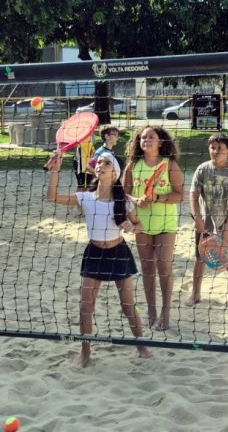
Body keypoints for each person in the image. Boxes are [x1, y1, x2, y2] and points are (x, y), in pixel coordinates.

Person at [45, 150, 151, 367]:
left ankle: (141, 346)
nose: (100, 165)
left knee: (128, 305)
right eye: (99, 162)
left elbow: (140, 225)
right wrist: (55, 170)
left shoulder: (124, 200)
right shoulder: (85, 198)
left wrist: (133, 226)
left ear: (115, 173)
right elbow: (52, 197)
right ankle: (85, 352)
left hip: (118, 253)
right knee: (86, 306)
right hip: (94, 253)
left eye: (106, 163)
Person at [124, 125, 184, 330]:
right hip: (141, 223)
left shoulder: (169, 165)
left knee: (164, 267)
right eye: (142, 138)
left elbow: (179, 195)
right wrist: (136, 200)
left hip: (166, 223)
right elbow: (123, 193)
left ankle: (165, 313)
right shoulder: (133, 164)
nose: (146, 140)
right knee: (147, 268)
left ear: (160, 142)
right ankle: (151, 311)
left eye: (151, 137)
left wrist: (158, 197)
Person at [187, 133, 228, 306]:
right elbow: (193, 195)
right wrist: (197, 217)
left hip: (227, 220)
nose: (216, 151)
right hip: (205, 222)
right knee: (200, 257)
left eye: (220, 148)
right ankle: (195, 293)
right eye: (212, 148)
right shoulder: (203, 169)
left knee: (226, 255)